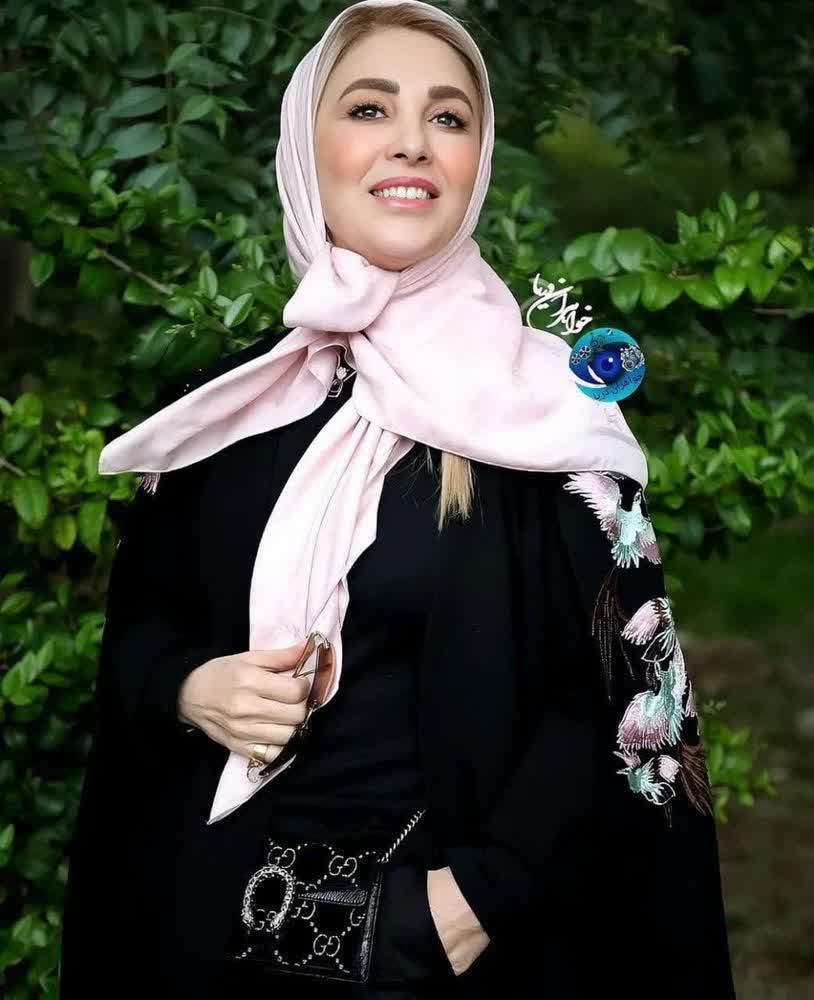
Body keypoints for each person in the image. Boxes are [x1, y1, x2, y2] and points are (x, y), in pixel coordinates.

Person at [59, 2, 737, 998]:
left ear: (476, 161)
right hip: (213, 934)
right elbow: (144, 624)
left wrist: (469, 904)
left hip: (440, 954)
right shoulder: (234, 401)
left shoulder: (546, 411)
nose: (412, 142)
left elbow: (618, 695)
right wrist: (189, 687)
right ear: (308, 147)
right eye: (370, 108)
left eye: (448, 117)